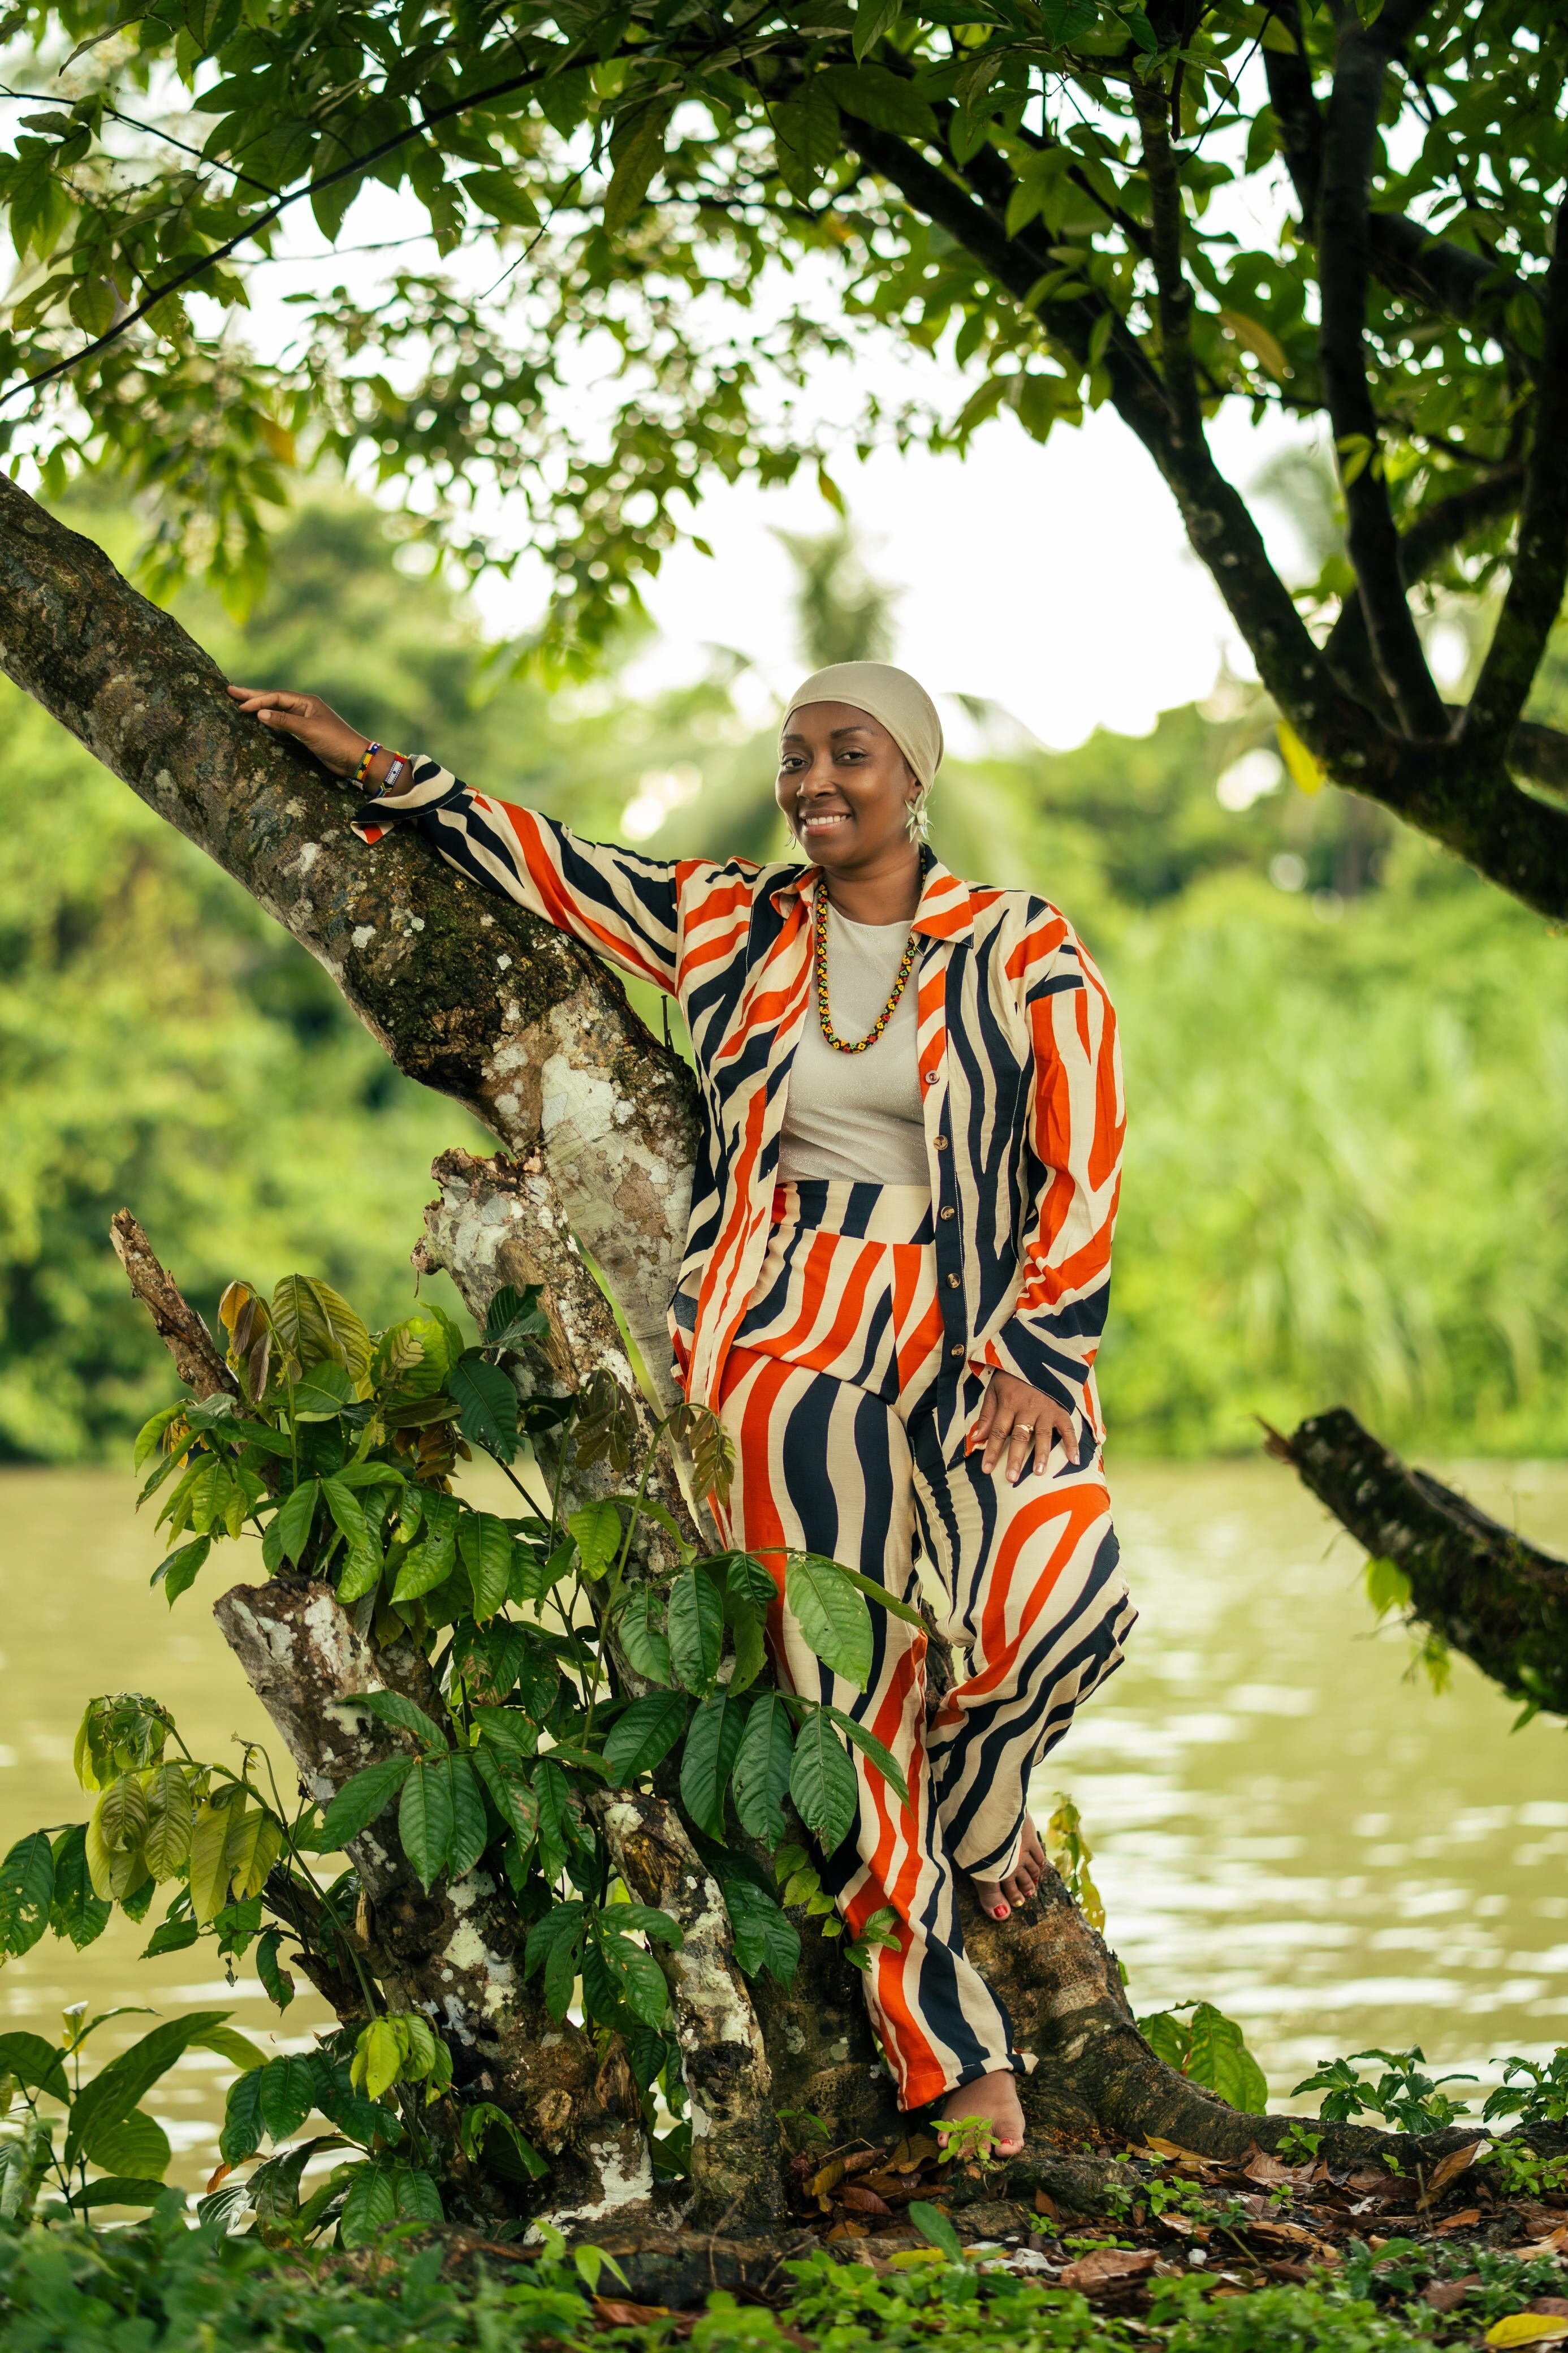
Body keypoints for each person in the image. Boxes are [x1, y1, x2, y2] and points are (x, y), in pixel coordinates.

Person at [226, 659, 1134, 2157]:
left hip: (975, 1323)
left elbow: (1085, 1147)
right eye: (796, 756)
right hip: (789, 1317)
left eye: (850, 752)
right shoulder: (732, 919)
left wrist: (1047, 1345)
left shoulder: (1017, 943)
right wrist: (380, 768)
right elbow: (555, 865)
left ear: (915, 775)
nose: (815, 780)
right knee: (841, 1683)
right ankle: (951, 2042)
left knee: (1066, 1599)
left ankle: (979, 1802)